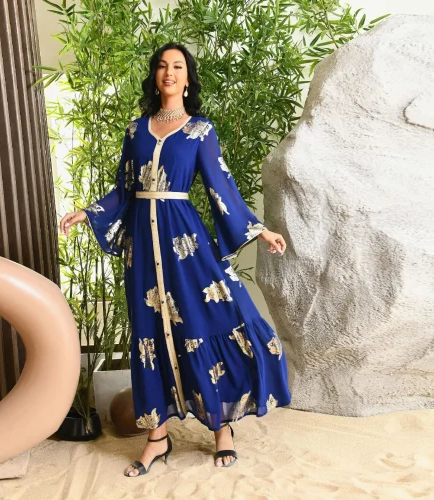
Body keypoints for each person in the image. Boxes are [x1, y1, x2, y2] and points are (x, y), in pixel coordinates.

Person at [59, 42, 291, 477]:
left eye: (178, 66)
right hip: (143, 250)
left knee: (205, 323)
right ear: (155, 76)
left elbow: (221, 186)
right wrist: (88, 212)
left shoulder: (201, 131)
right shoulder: (136, 131)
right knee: (148, 334)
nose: (169, 72)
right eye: (163, 66)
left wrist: (259, 229)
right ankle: (157, 438)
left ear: (187, 79)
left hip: (184, 242)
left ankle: (221, 428)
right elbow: (124, 189)